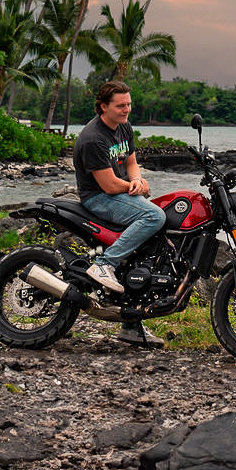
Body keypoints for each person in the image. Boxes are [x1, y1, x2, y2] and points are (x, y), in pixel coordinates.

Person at [74, 80, 166, 346]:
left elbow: (131, 162)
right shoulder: (93, 138)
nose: (127, 109)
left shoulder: (123, 127)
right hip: (99, 198)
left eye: (129, 103)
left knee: (145, 247)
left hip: (120, 192)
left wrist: (137, 181)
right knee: (154, 217)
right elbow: (108, 185)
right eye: (120, 105)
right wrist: (133, 186)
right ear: (104, 107)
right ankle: (104, 265)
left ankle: (131, 324)